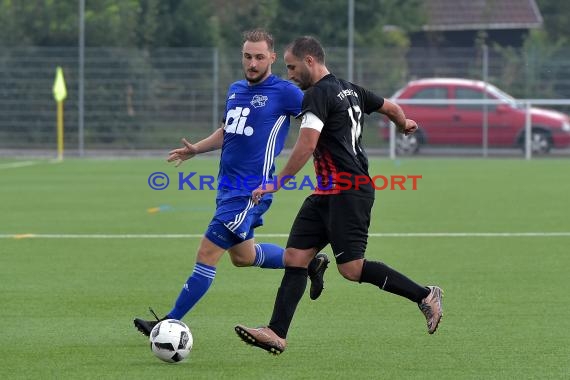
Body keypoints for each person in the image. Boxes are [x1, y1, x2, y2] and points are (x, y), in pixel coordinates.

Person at [234, 36, 443, 355]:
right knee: (295, 257)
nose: (288, 74)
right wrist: (404, 124)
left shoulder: (317, 95)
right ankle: (276, 333)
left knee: (352, 269)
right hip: (326, 193)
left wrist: (276, 183)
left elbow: (306, 145)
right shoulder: (351, 89)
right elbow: (392, 108)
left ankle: (425, 295)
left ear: (309, 62)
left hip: (349, 191)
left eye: (291, 67)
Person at [133, 30, 330, 336]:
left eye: (259, 57)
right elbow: (229, 130)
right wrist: (197, 148)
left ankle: (168, 322)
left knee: (207, 253)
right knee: (244, 257)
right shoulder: (236, 89)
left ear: (272, 58)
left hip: (250, 192)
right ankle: (308, 263)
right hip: (226, 189)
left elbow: (321, 116)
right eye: (248, 56)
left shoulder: (286, 92)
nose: (252, 63)